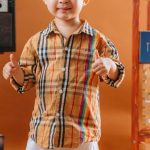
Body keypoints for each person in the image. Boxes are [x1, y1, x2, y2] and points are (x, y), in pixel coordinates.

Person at [2, 0, 125, 149]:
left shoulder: (97, 40)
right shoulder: (36, 41)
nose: (63, 0)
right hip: (42, 134)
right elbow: (26, 81)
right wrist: (16, 72)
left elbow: (117, 73)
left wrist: (109, 65)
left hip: (83, 136)